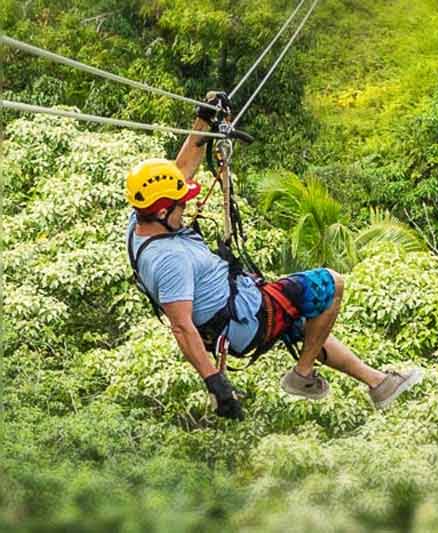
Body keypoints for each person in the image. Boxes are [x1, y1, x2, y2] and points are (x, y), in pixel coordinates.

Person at [125, 92, 421, 419]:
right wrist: (215, 382)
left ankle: (378, 383)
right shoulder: (169, 260)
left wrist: (203, 119)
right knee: (330, 284)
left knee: (308, 325)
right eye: (181, 204)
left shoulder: (142, 221)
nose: (187, 204)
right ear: (164, 210)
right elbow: (181, 327)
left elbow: (181, 170)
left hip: (240, 308)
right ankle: (302, 375)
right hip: (246, 320)